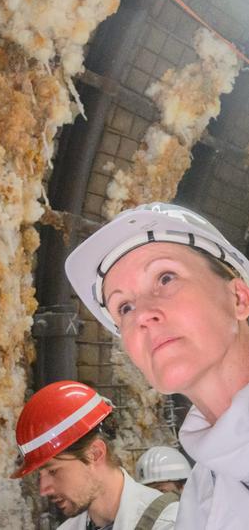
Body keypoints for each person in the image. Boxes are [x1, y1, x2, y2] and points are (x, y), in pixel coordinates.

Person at [65, 202, 249, 529]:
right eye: (124, 307)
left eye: (165, 277)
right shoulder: (203, 493)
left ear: (239, 298)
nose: (142, 317)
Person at [12, 380, 178, 529]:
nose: (43, 489)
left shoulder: (171, 523)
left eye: (53, 471)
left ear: (95, 453)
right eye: (39, 475)